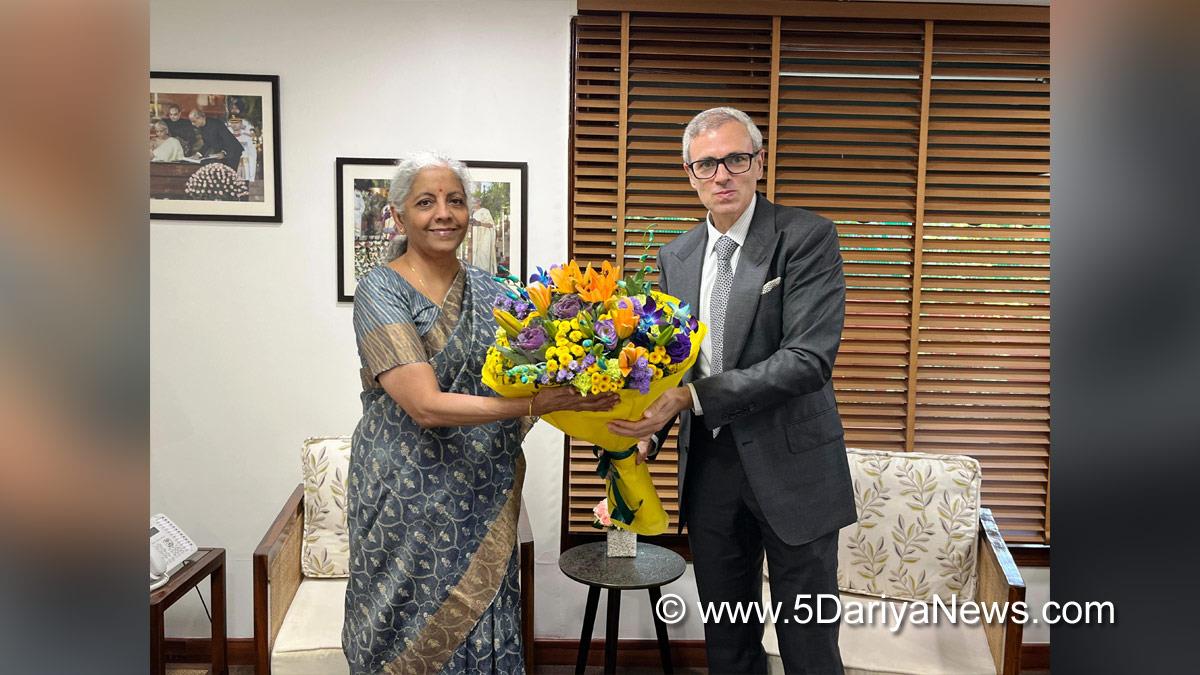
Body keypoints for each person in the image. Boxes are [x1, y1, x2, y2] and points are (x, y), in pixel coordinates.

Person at [342, 152, 617, 675]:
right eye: (426, 202)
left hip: (479, 489)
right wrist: (536, 402)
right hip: (402, 495)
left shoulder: (498, 295)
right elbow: (424, 405)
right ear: (399, 217)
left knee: (483, 614)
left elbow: (535, 379)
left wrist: (603, 397)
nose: (443, 213)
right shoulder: (380, 289)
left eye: (456, 201)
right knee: (396, 625)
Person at [608, 107, 856, 674]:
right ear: (689, 174)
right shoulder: (676, 256)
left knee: (810, 644)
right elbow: (673, 365)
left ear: (759, 162)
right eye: (705, 165)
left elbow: (808, 360)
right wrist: (641, 437)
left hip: (795, 468)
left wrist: (692, 399)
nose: (722, 175)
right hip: (711, 470)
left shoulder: (806, 236)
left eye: (735, 159)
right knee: (727, 640)